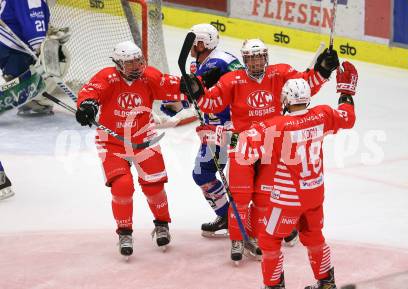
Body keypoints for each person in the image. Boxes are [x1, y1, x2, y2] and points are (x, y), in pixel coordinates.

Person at [184, 38, 339, 263]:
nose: (256, 62)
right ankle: (237, 238)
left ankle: (256, 236)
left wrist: (323, 70)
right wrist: (197, 92)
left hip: (272, 147)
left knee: (263, 199)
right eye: (252, 58)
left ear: (265, 57)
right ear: (245, 60)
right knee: (240, 198)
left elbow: (305, 85)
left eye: (259, 57)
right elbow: (211, 104)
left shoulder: (280, 73)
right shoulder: (232, 80)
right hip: (243, 148)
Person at [242, 61, 358, 289]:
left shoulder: (276, 125)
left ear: (285, 100)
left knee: (269, 240)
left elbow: (247, 150)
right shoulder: (322, 115)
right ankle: (326, 282)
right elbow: (347, 117)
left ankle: (274, 285)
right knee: (313, 235)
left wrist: (235, 138)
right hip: (315, 193)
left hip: (288, 199)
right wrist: (346, 92)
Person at [76, 40, 184, 257]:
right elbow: (91, 92)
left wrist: (196, 85)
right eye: (130, 63)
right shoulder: (107, 77)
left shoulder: (149, 76)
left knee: (154, 187)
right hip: (112, 141)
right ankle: (124, 232)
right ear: (118, 64)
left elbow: (174, 85)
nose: (136, 66)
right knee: (122, 185)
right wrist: (87, 105)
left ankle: (162, 224)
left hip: (145, 138)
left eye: (138, 61)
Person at [186, 23, 244, 238]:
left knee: (246, 181)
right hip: (214, 131)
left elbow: (245, 84)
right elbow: (192, 94)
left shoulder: (222, 62)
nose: (190, 47)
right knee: (203, 173)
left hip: (234, 130)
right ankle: (229, 217)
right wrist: (169, 107)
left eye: (193, 42)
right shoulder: (200, 64)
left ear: (202, 43)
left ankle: (282, 228)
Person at [0, 0, 54, 115]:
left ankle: (15, 81)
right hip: (11, 49)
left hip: (7, 46)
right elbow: (33, 29)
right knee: (56, 58)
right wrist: (42, 50)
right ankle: (33, 98)